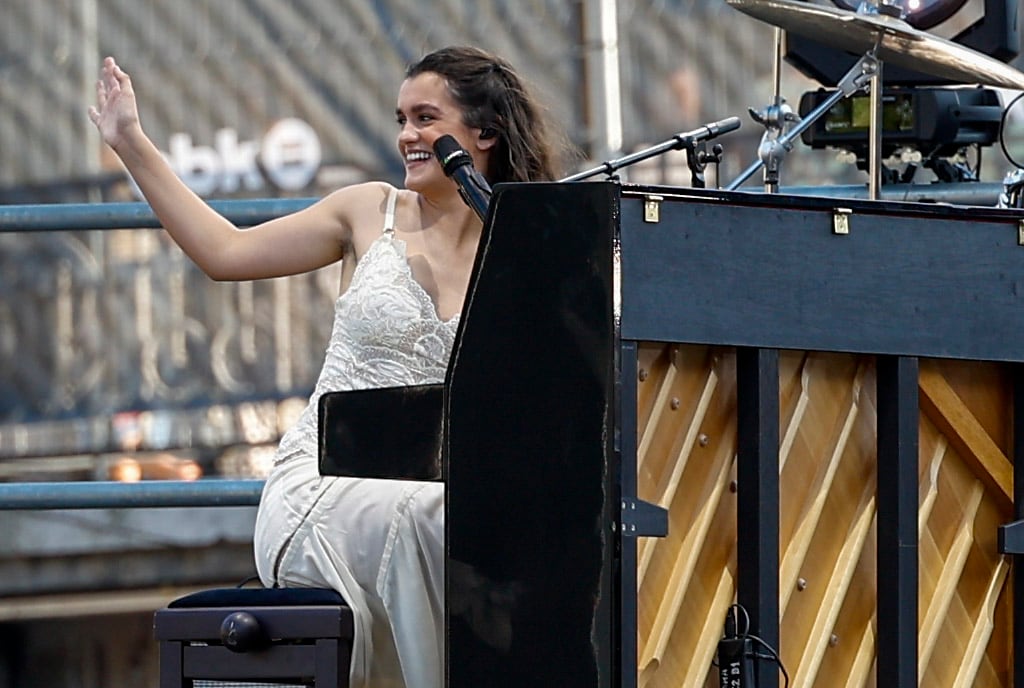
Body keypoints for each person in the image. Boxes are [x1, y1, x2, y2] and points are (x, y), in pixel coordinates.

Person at [89, 45, 564, 688]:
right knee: (436, 518)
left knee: (505, 526)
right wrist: (130, 140)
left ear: (485, 133)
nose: (407, 135)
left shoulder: (528, 247)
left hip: (442, 488)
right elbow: (224, 252)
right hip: (320, 486)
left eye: (426, 118)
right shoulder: (368, 211)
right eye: (401, 119)